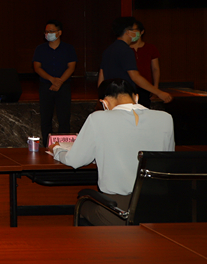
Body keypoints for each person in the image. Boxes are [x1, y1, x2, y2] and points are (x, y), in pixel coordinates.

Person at [49, 78, 174, 226]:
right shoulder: (166, 118)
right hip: (157, 208)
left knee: (83, 204)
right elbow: (168, 158)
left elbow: (75, 160)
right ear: (136, 97)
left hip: (117, 211)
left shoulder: (98, 118)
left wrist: (56, 149)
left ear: (105, 103)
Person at [98, 17, 171, 104]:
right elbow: (135, 77)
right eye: (136, 29)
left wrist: (100, 97)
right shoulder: (126, 50)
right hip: (125, 97)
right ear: (128, 32)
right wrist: (159, 92)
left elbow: (101, 76)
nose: (138, 32)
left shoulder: (108, 50)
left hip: (111, 98)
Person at [33, 20, 77, 147]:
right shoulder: (40, 49)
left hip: (64, 87)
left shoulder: (69, 48)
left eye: (51, 31)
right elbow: (37, 67)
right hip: (46, 86)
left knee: (64, 118)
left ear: (59, 32)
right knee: (45, 118)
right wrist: (52, 80)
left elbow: (71, 67)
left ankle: (64, 146)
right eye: (46, 31)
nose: (48, 34)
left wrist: (59, 82)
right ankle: (47, 146)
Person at [129, 20, 161, 108]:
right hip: (128, 86)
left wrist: (155, 87)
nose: (132, 33)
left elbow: (155, 69)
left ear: (142, 32)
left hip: (145, 87)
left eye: (135, 30)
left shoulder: (150, 48)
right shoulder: (125, 49)